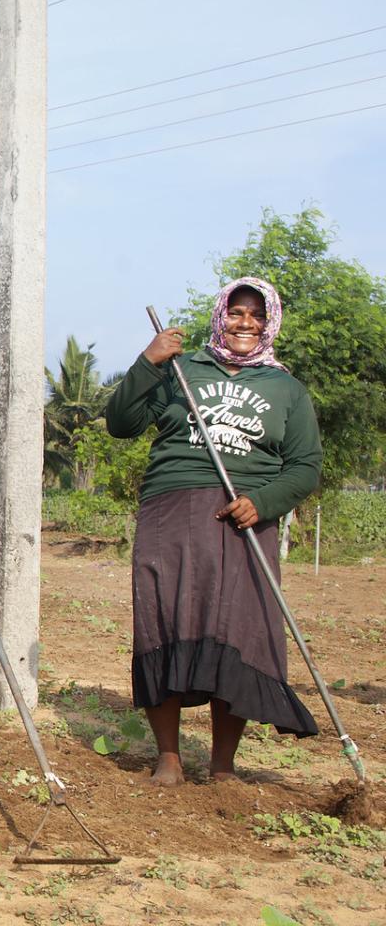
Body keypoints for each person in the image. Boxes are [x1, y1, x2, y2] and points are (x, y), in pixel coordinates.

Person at [105, 276, 321, 785]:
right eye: (237, 312)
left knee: (239, 632)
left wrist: (263, 502)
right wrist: (148, 361)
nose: (246, 323)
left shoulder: (286, 389)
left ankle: (223, 767)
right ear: (220, 315)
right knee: (164, 622)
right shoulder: (182, 371)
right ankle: (169, 759)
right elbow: (121, 422)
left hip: (246, 521)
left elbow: (305, 465)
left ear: (269, 323)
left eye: (256, 315)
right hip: (171, 511)